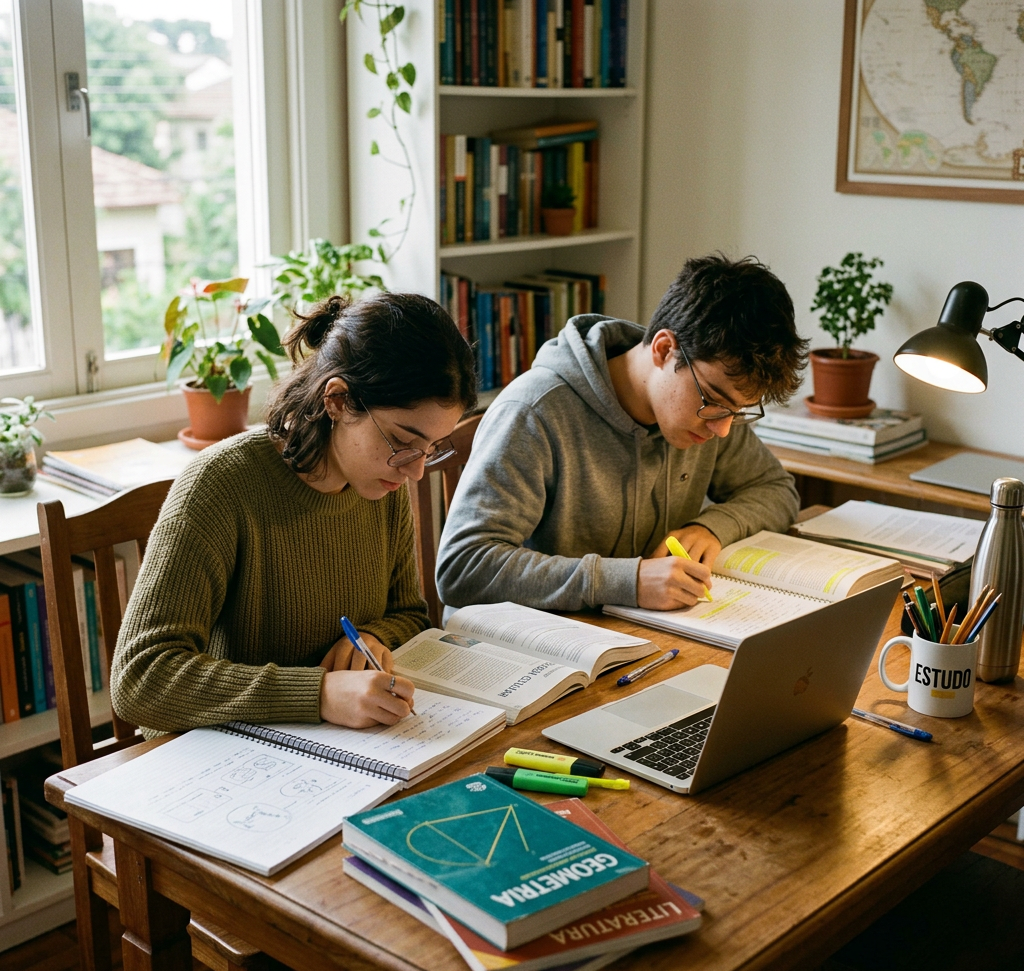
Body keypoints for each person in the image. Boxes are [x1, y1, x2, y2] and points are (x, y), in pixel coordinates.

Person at [111, 291, 476, 738]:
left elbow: (409, 615)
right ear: (338, 401)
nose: (416, 471)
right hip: (221, 760)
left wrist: (372, 642)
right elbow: (140, 678)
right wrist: (317, 693)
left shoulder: (382, 482)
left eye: (431, 450)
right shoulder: (221, 485)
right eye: (403, 441)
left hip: (333, 746)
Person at [436, 254, 807, 613]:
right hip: (536, 649)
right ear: (664, 349)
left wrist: (711, 527)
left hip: (638, 635)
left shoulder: (708, 410)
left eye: (738, 412)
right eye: (714, 401)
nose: (723, 429)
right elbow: (462, 568)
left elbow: (776, 490)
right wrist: (627, 581)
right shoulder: (534, 412)